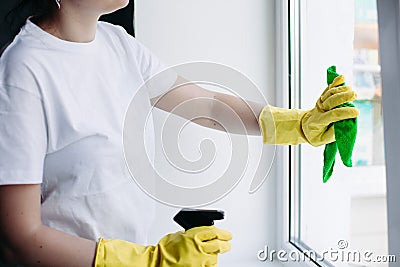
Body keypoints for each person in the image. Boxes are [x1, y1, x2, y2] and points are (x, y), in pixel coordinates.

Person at [0, 0, 359, 266]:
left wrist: (296, 124)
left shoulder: (117, 43)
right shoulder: (24, 70)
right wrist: (148, 261)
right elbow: (19, 237)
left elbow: (203, 106)